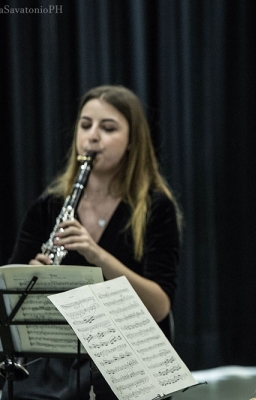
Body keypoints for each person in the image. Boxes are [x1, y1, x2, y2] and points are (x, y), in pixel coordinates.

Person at [2, 85, 182, 399]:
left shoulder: (156, 209)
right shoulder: (48, 207)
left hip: (128, 360)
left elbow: (159, 306)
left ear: (131, 142)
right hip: (56, 363)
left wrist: (96, 254)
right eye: (85, 125)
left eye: (108, 128)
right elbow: (11, 298)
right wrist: (33, 277)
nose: (93, 136)